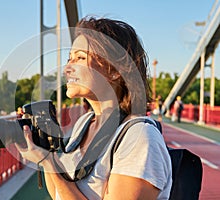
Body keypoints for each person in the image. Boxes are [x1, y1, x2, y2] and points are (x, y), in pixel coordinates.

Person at [16, 16, 172, 199]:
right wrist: (45, 153)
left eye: (80, 58)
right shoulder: (85, 123)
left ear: (115, 70)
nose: (67, 68)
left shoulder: (139, 137)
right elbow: (60, 194)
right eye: (69, 58)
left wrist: (51, 163)